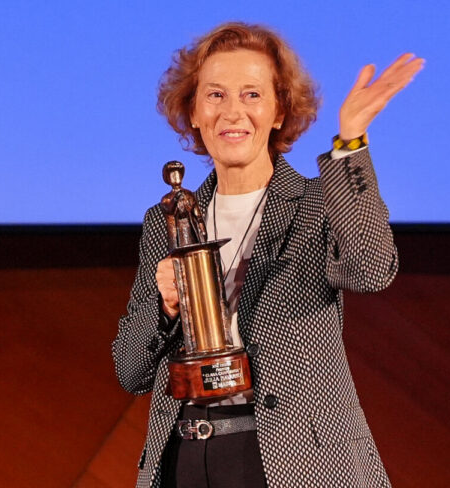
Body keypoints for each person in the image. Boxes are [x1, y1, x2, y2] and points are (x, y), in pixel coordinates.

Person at [112, 22, 423, 488]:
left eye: (252, 95)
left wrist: (351, 140)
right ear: (192, 111)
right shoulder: (167, 222)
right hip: (186, 459)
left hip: (293, 461)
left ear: (280, 111)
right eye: (215, 95)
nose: (232, 111)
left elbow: (372, 269)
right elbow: (130, 369)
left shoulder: (319, 204)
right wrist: (165, 306)